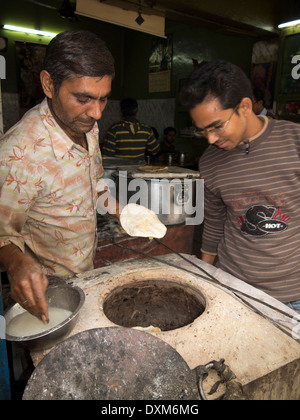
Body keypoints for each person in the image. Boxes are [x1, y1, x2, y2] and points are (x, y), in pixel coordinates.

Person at [0, 30, 121, 322]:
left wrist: (120, 210)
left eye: (103, 99)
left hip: (86, 276)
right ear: (49, 84)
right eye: (84, 99)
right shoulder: (18, 153)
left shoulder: (85, 124)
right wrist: (16, 263)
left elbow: (95, 180)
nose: (97, 113)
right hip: (49, 295)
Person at [179, 60, 300, 313]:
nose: (211, 139)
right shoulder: (210, 161)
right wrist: (206, 275)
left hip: (293, 295)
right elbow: (213, 223)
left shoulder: (294, 142)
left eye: (217, 126)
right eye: (203, 131)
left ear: (245, 106)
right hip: (234, 287)